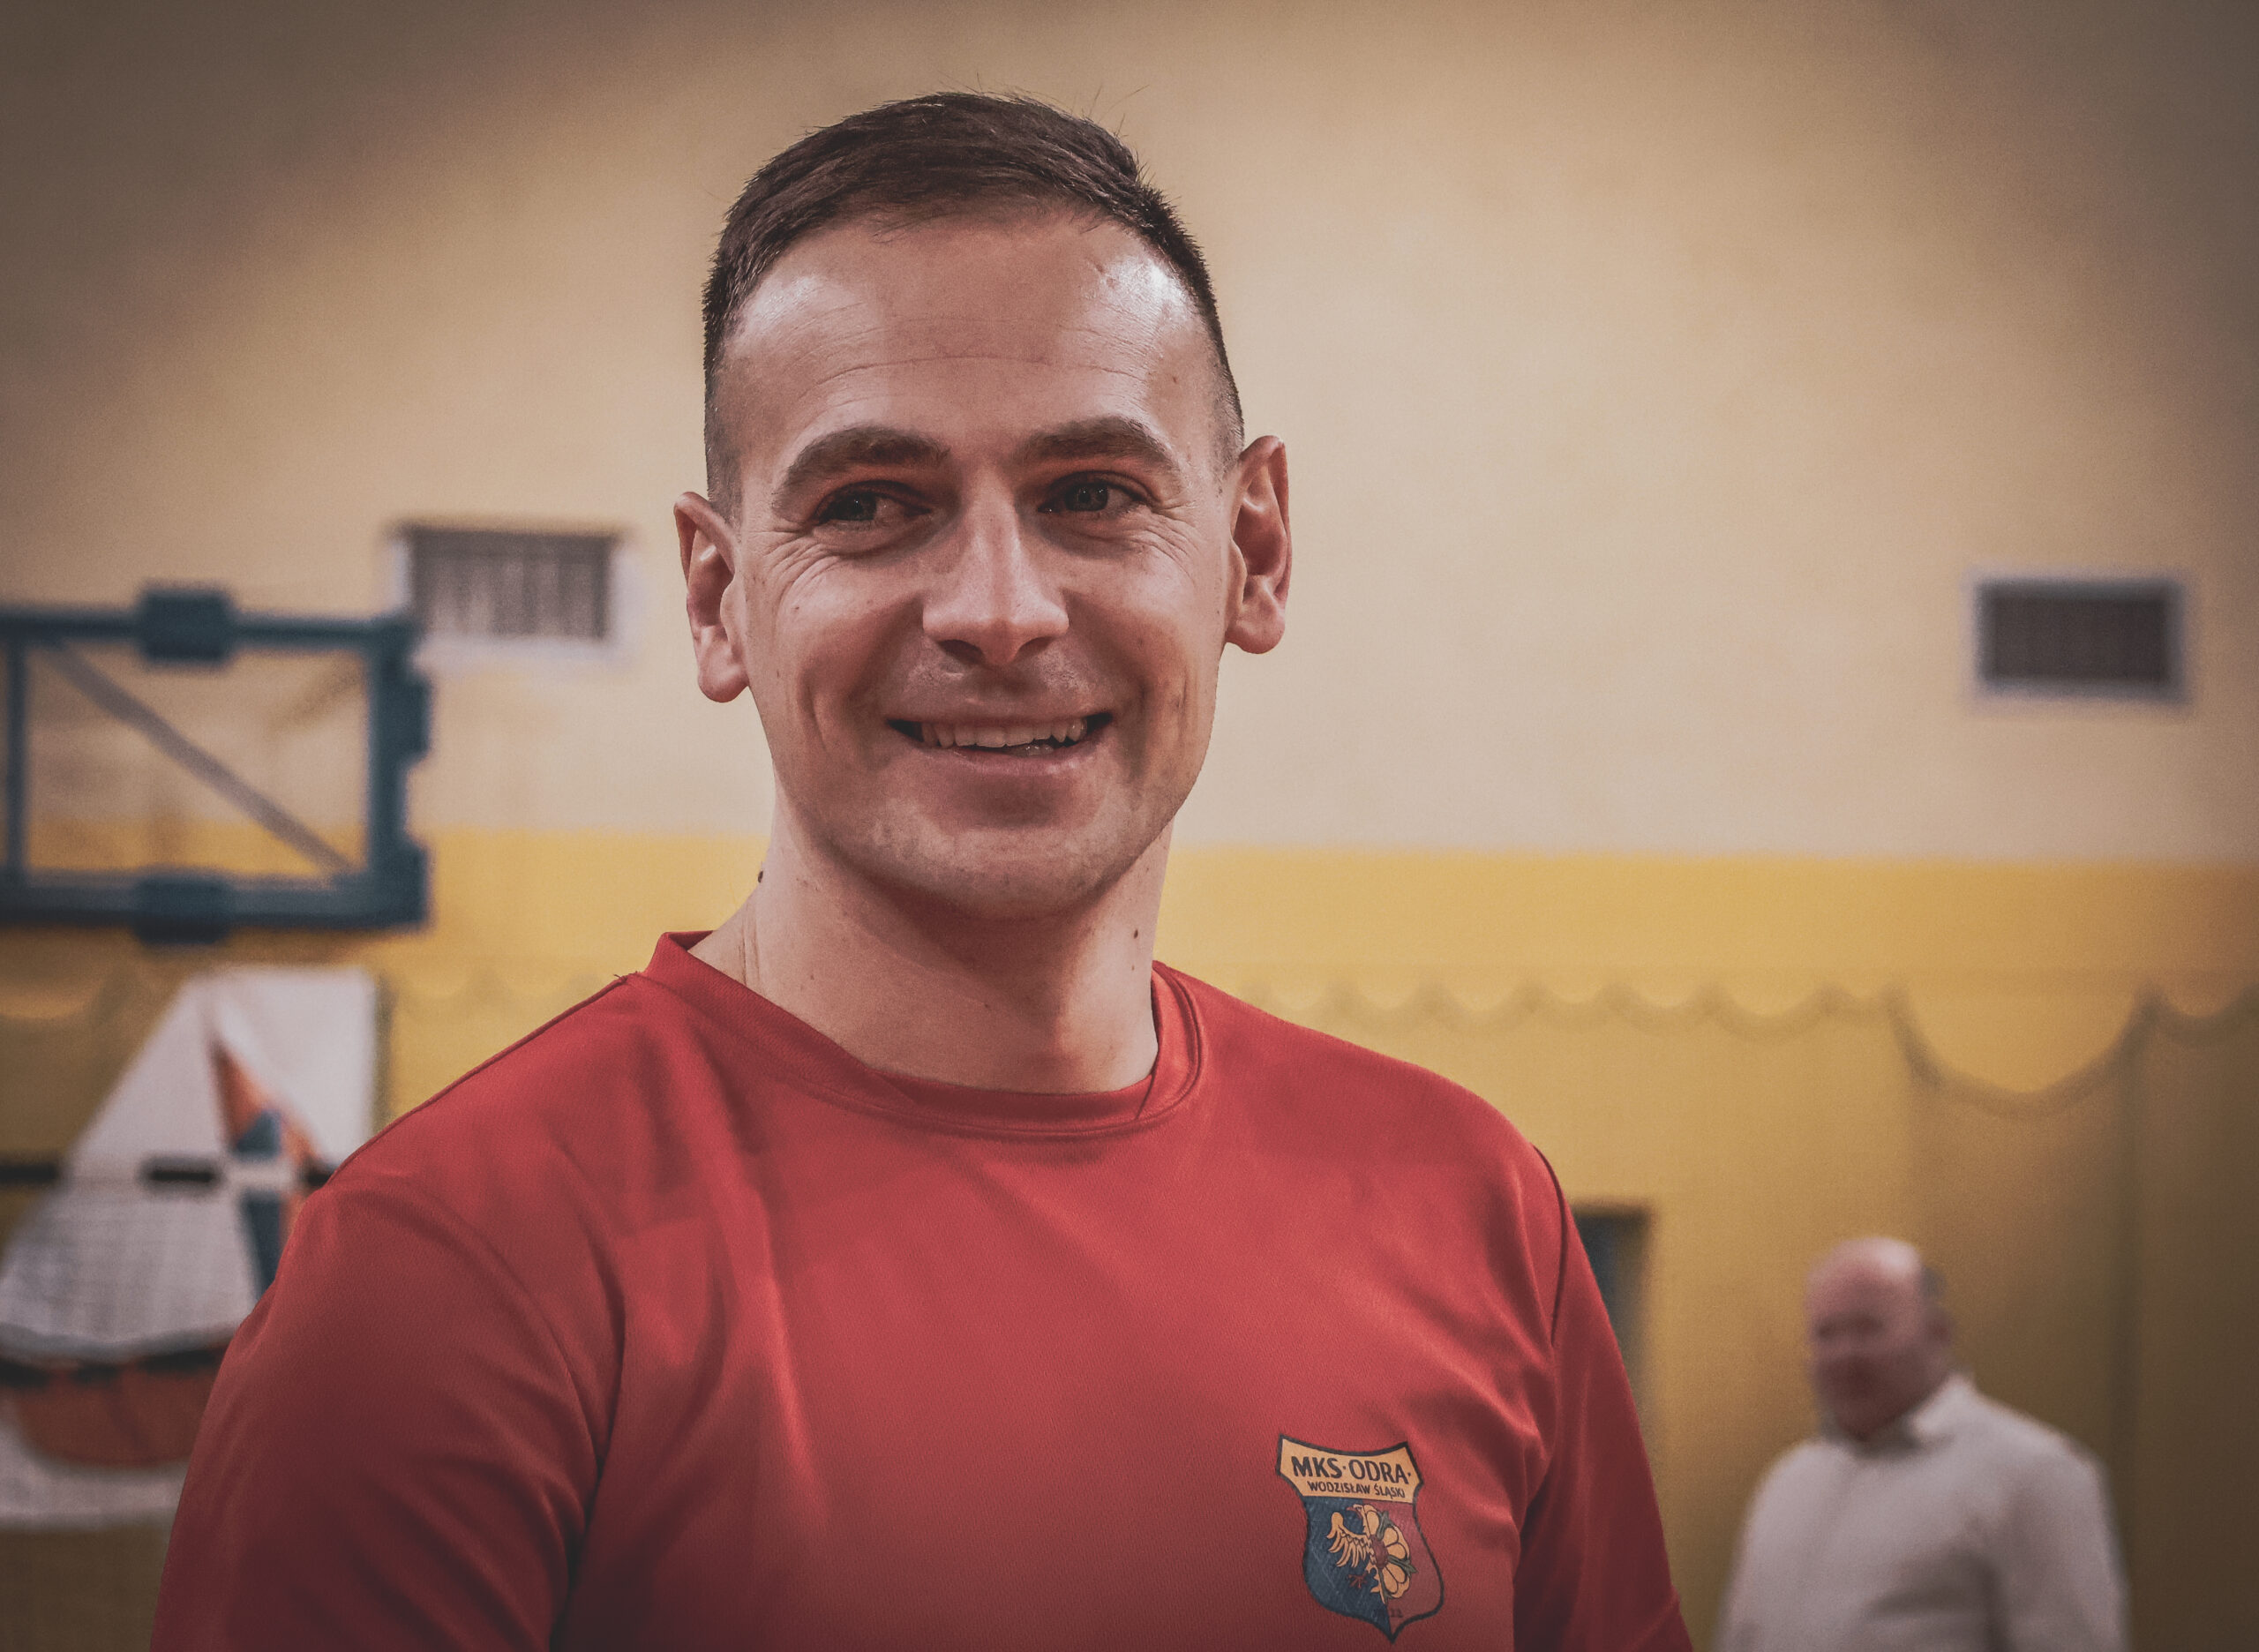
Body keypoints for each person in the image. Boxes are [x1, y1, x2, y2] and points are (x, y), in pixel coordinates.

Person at [153, 94, 1689, 1649]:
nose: (1000, 611)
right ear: (717, 598)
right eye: (871, 507)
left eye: (1093, 493)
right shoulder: (441, 1281)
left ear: (1255, 550)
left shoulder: (1474, 1208)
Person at [1716, 1236, 2127, 1652]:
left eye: (1869, 1328)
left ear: (1937, 1332)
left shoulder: (2034, 1475)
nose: (1845, 1355)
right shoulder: (1788, 1481)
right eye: (1826, 1334)